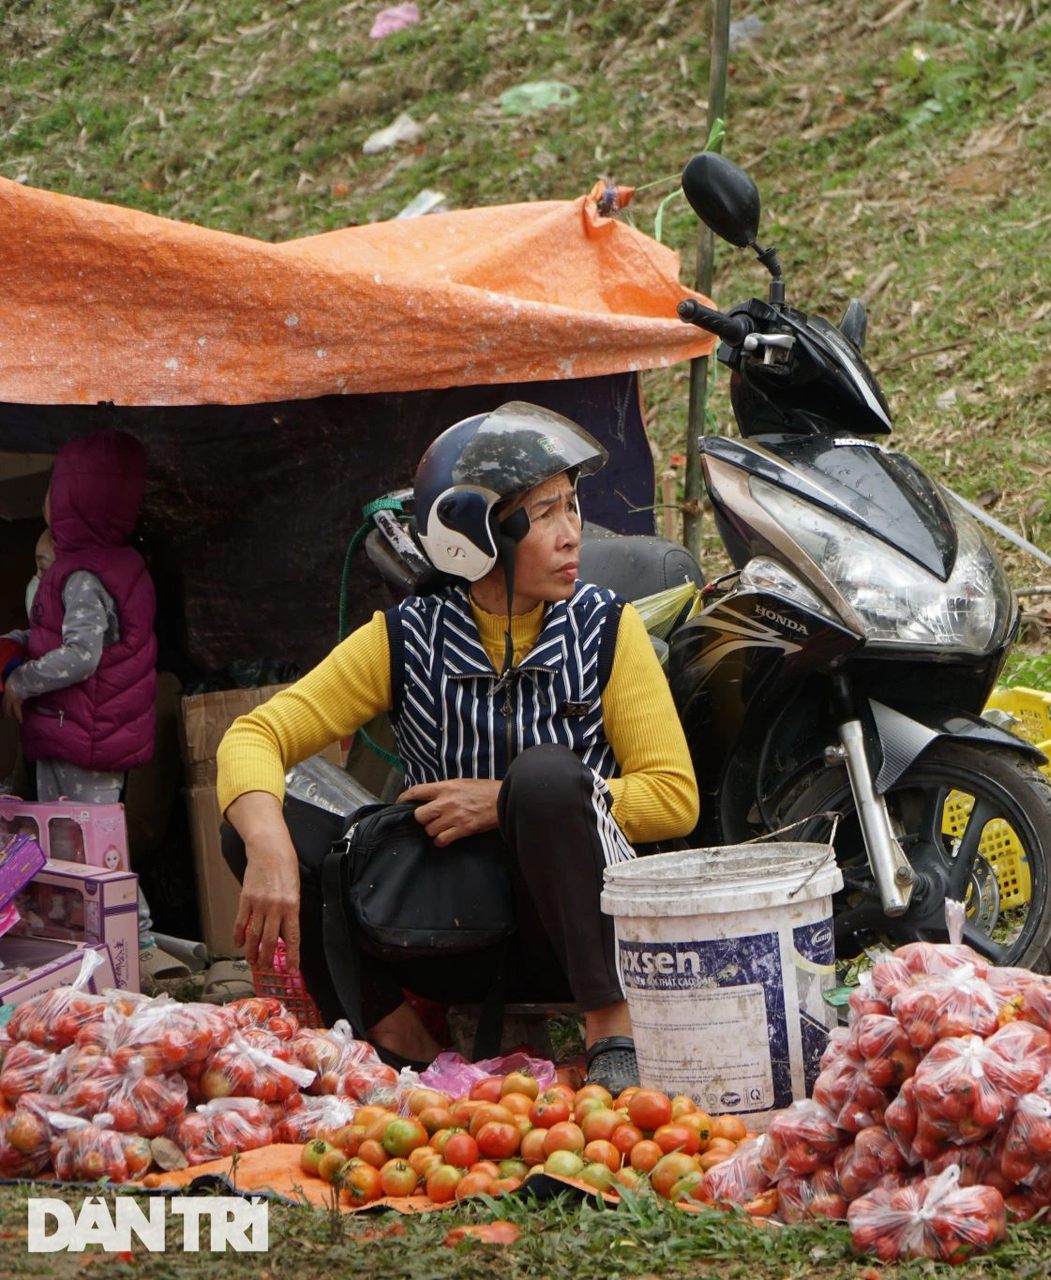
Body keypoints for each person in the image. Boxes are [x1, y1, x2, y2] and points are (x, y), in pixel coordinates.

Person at [217, 403, 698, 1089]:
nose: (573, 534)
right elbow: (256, 734)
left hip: (574, 935)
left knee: (545, 778)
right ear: (479, 534)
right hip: (445, 930)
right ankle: (397, 1040)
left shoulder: (607, 629)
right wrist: (268, 849)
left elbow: (675, 800)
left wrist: (508, 804)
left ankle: (608, 1033)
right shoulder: (404, 637)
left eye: (573, 506)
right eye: (547, 512)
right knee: (265, 820)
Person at [0, 431, 176, 984]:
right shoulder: (112, 564)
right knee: (85, 842)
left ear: (78, 498)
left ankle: (138, 946)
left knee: (92, 846)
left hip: (85, 734)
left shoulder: (82, 576)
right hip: (81, 731)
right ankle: (111, 945)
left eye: (57, 486)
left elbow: (81, 655)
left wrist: (22, 681)